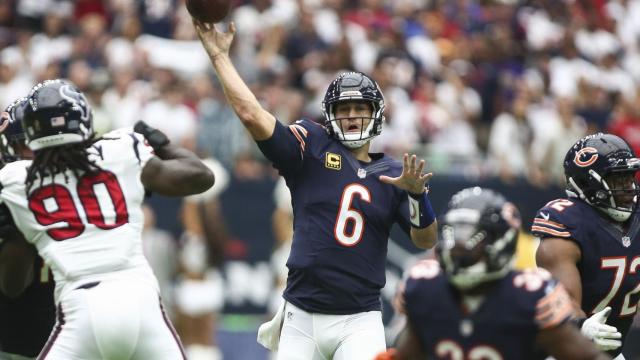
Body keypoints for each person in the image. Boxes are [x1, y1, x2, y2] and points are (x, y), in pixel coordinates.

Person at [193, 20, 438, 360]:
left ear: (376, 115)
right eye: (344, 109)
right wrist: (220, 56)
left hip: (359, 319)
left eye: (360, 109)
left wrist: (416, 196)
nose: (352, 116)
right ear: (329, 115)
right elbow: (251, 114)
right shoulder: (312, 147)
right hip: (301, 315)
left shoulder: (395, 173)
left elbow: (425, 240)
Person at [0, 79, 214, 360]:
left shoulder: (15, 182)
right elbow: (200, 176)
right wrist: (157, 141)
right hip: (137, 301)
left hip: (79, 309)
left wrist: (20, 231)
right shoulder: (119, 152)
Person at [377, 187, 610, 360]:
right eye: (453, 232)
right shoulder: (425, 287)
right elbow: (410, 353)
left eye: (471, 235)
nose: (458, 244)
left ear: (502, 241)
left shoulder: (531, 297)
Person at [533, 133, 640, 359]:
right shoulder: (567, 223)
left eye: (630, 177)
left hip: (611, 351)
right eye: (618, 179)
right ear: (586, 182)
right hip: (562, 349)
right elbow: (562, 300)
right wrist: (581, 326)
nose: (629, 188)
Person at [0, 97, 56, 360]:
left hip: (76, 335)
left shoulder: (80, 187)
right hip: (14, 342)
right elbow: (13, 287)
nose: (34, 153)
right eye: (25, 144)